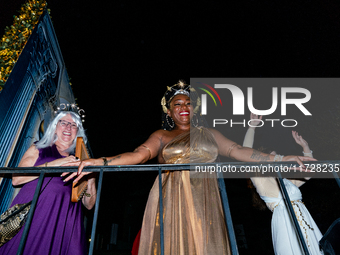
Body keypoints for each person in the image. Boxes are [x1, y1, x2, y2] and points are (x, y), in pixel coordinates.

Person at [64, 81, 314, 255]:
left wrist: (281, 159)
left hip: (204, 196)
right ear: (169, 112)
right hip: (170, 196)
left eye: (188, 103)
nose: (183, 108)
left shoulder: (210, 133)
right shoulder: (162, 134)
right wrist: (100, 162)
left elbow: (239, 150)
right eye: (177, 105)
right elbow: (138, 155)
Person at [0, 110, 97, 255]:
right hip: (37, 214)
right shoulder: (39, 148)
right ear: (54, 127)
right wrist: (56, 163)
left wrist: (91, 178)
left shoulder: (80, 159)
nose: (68, 127)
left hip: (66, 220)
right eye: (63, 122)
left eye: (73, 125)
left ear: (78, 132)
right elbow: (17, 178)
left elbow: (89, 205)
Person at [244, 113, 323, 255]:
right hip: (286, 223)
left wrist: (305, 147)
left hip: (304, 219)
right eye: (275, 158)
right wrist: (252, 127)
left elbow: (308, 172)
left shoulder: (286, 182)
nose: (280, 161)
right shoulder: (262, 181)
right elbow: (245, 154)